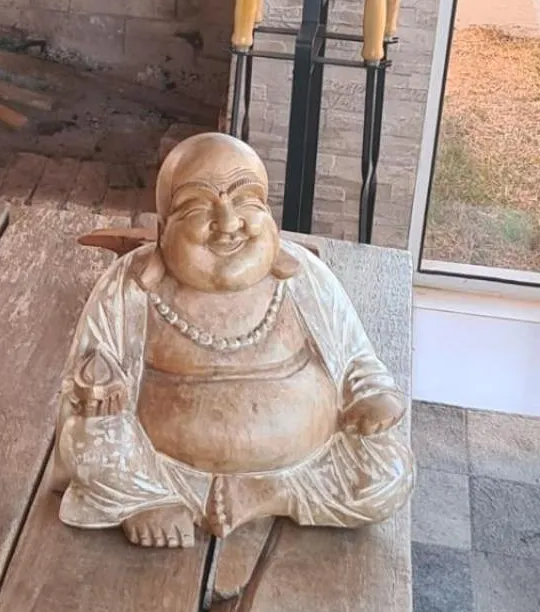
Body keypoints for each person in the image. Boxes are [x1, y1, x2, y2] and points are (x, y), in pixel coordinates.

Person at [53, 132, 414, 547]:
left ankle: (270, 496)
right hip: (168, 473)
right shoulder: (129, 288)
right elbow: (85, 383)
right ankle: (145, 502)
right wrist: (98, 395)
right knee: (89, 439)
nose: (228, 224)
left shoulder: (306, 280)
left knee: (390, 471)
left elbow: (356, 361)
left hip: (307, 469)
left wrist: (371, 398)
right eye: (197, 206)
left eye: (246, 200)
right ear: (163, 227)